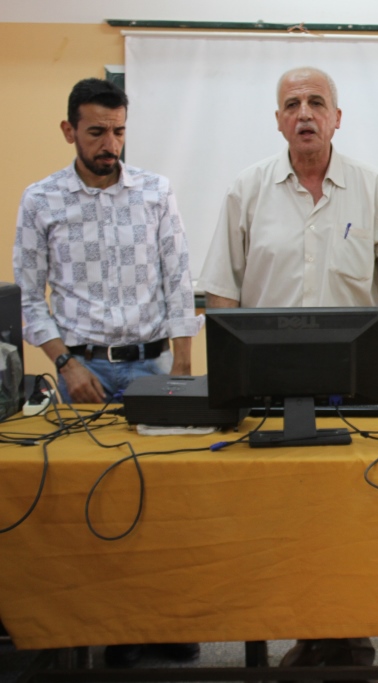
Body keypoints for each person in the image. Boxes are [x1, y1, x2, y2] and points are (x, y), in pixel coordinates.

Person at [198, 66, 378, 680]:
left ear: (338, 118)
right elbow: (222, 290)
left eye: (317, 102)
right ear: (278, 120)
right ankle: (300, 630)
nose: (305, 113)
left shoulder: (372, 189)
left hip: (348, 394)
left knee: (346, 521)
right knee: (278, 522)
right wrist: (223, 382)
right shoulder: (247, 189)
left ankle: (344, 638)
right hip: (266, 392)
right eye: (292, 104)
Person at [13, 78, 202, 666]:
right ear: (69, 131)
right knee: (93, 505)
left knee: (161, 503)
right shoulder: (41, 200)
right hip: (84, 374)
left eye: (118, 132)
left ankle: (157, 626)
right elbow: (29, 298)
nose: (110, 144)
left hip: (153, 365)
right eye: (96, 132)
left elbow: (179, 281)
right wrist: (64, 363)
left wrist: (183, 365)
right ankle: (102, 628)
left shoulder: (155, 192)